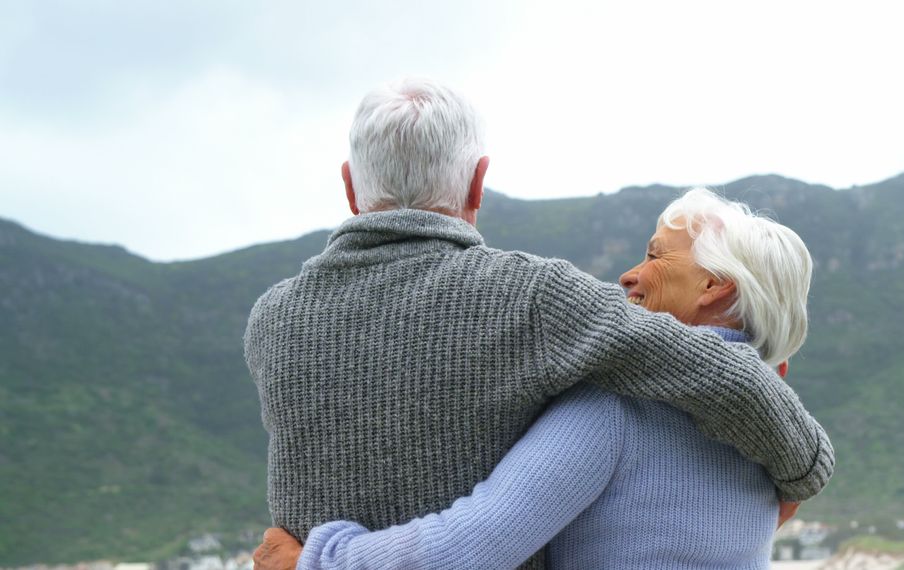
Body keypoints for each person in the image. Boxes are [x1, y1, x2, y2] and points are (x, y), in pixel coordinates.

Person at [244, 78, 833, 570]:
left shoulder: (270, 319)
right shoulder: (533, 300)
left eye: (654, 256)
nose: (628, 276)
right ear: (479, 182)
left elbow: (471, 545)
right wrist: (801, 469)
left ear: (349, 186)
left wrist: (314, 561)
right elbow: (731, 383)